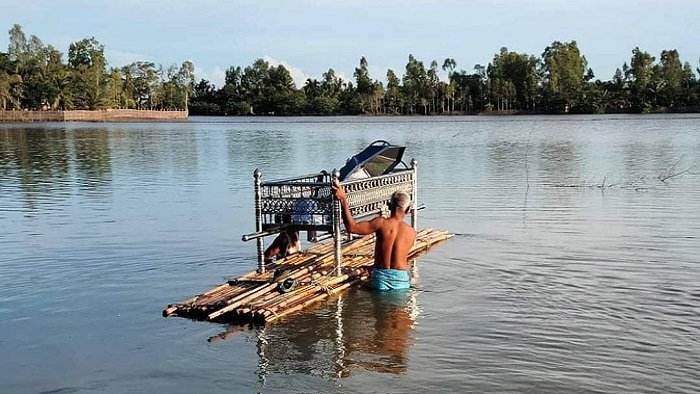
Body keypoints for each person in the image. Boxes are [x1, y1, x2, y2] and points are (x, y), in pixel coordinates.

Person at [331, 179, 417, 291]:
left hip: (380, 279)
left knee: (379, 308)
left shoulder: (381, 223)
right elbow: (397, 259)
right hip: (401, 281)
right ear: (408, 210)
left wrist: (343, 199)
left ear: (389, 206)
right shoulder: (411, 232)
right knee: (399, 308)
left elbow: (351, 227)